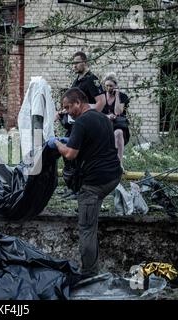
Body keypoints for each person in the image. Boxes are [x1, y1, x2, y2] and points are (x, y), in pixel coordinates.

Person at [48, 88, 122, 279]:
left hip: (94, 183)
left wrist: (56, 143)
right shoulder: (103, 118)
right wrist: (70, 140)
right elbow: (96, 143)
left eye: (68, 107)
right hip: (113, 177)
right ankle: (92, 268)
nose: (66, 112)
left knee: (87, 228)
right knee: (92, 222)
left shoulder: (81, 122)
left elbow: (71, 154)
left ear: (78, 103)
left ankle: (89, 275)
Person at [59, 51, 106, 198]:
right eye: (73, 63)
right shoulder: (77, 81)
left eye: (77, 62)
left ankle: (79, 189)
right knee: (68, 155)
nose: (74, 65)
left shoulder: (92, 79)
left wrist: (89, 119)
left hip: (84, 124)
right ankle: (72, 187)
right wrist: (62, 112)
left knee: (79, 157)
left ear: (85, 62)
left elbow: (101, 102)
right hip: (74, 124)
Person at [102, 73, 130, 163]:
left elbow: (118, 112)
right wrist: (107, 116)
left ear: (115, 86)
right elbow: (95, 112)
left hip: (118, 125)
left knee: (118, 133)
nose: (109, 88)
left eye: (111, 86)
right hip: (104, 125)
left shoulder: (122, 96)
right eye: (106, 86)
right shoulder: (101, 97)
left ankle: (119, 163)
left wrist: (117, 95)